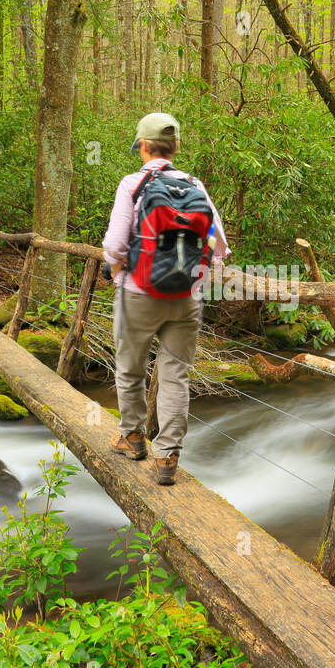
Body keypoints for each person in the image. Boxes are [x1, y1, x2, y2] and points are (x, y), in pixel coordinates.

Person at [103, 112, 228, 485]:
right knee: (176, 374)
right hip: (187, 295)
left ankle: (132, 436)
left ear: (142, 145)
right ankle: (167, 456)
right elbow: (219, 247)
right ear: (175, 148)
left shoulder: (132, 183)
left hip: (137, 293)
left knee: (130, 368)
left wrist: (116, 271)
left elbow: (114, 246)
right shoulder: (195, 185)